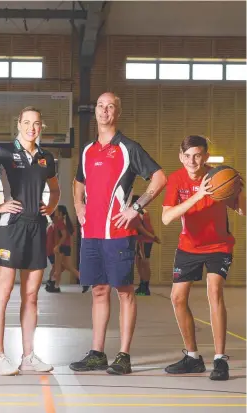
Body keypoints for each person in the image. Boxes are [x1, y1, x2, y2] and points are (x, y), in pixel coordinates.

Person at [70, 92, 166, 375]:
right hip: (91, 234)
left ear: (117, 112)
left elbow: (160, 178)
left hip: (118, 233)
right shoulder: (87, 150)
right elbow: (78, 182)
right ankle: (97, 353)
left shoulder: (128, 148)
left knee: (124, 292)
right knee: (98, 291)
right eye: (100, 105)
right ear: (95, 110)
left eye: (110, 106)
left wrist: (136, 207)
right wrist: (78, 205)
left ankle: (123, 355)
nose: (104, 110)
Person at [162, 135, 245, 381]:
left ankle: (220, 360)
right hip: (189, 246)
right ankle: (192, 357)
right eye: (187, 156)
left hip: (219, 245)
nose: (192, 161)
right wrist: (198, 195)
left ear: (206, 156)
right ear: (180, 157)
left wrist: (240, 190)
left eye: (197, 155)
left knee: (214, 290)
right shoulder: (176, 179)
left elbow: (243, 211)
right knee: (177, 298)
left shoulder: (219, 178)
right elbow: (167, 218)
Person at [0, 106, 60, 375]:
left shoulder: (46, 157)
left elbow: (56, 188)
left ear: (42, 126)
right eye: (27, 122)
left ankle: (28, 356)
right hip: (10, 228)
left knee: (31, 295)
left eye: (37, 123)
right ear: (18, 124)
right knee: (3, 294)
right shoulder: (4, 152)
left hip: (37, 228)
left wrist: (49, 208)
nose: (32, 128)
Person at [46, 205, 89, 293]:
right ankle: (85, 281)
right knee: (68, 267)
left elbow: (64, 235)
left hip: (61, 248)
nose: (55, 212)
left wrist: (58, 246)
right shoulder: (65, 222)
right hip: (67, 247)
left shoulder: (60, 223)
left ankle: (56, 286)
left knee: (58, 268)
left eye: (57, 211)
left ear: (61, 213)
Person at [131, 195, 161, 296]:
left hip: (144, 239)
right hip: (144, 239)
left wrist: (153, 237)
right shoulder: (143, 211)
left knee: (143, 263)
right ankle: (142, 284)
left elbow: (142, 229)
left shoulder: (138, 213)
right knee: (140, 262)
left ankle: (145, 287)